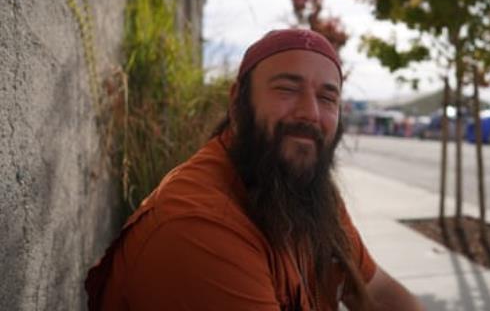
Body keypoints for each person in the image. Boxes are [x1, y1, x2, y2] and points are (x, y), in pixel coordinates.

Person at [85, 29, 422, 311]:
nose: (310, 113)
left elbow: (379, 293)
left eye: (327, 98)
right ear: (237, 103)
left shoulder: (308, 193)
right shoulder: (199, 224)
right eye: (287, 89)